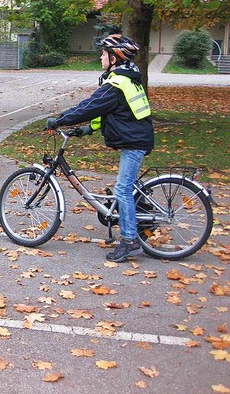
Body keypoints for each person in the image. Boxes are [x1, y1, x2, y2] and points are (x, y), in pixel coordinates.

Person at [45, 34, 154, 263]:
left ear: (114, 58)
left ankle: (130, 241)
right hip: (136, 138)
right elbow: (109, 111)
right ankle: (135, 219)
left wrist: (61, 120)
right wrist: (88, 129)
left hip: (135, 142)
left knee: (122, 189)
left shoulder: (116, 83)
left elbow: (91, 106)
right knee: (125, 187)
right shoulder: (126, 78)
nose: (100, 57)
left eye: (104, 54)